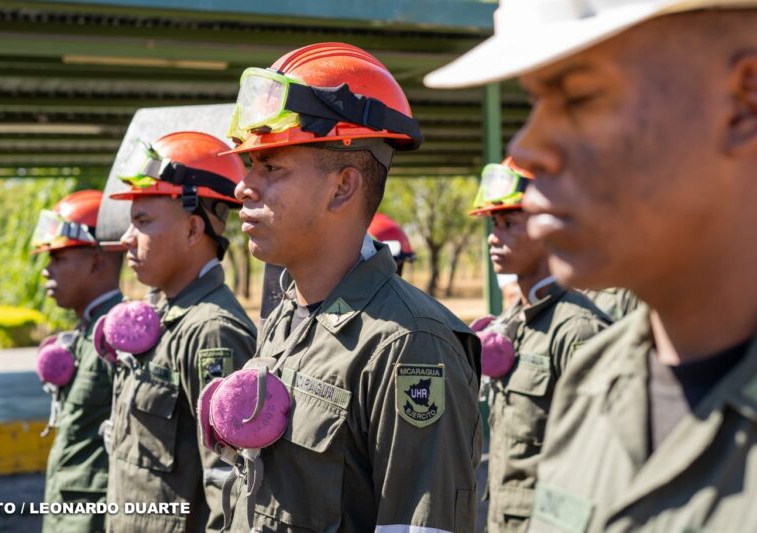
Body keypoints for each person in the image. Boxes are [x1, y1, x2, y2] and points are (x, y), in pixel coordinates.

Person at [425, 1, 757, 531]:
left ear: (743, 103)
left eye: (579, 98)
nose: (526, 147)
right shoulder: (594, 380)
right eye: (536, 103)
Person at [220, 42, 482, 532]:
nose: (243, 187)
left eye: (270, 167)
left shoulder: (410, 344)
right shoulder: (289, 314)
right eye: (249, 165)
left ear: (342, 187)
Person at [103, 131, 257, 532]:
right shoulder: (164, 318)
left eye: (142, 222)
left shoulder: (213, 333)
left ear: (192, 230)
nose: (126, 239)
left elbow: (229, 488)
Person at [468, 159, 609, 532]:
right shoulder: (515, 321)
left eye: (509, 224)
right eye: (494, 225)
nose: (493, 237)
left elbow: (599, 460)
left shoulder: (578, 330)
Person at [30, 190, 123, 533]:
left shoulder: (119, 337)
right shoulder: (88, 330)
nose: (46, 271)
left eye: (57, 258)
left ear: (97, 263)